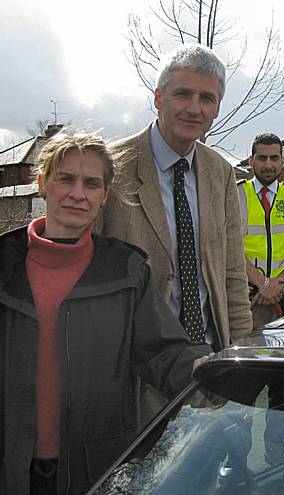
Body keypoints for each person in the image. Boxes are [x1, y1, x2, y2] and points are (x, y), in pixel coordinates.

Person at [0, 132, 212, 495]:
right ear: (42, 184)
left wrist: (206, 371)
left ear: (104, 196)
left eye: (92, 184)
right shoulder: (5, 265)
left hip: (98, 469)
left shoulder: (126, 271)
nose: (78, 194)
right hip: (11, 468)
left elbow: (163, 351)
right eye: (66, 178)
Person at [99, 43, 252, 350]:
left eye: (207, 98)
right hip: (136, 363)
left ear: (217, 109)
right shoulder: (113, 167)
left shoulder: (221, 173)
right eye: (183, 94)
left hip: (209, 354)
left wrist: (242, 351)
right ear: (158, 97)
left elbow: (233, 272)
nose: (194, 108)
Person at [235, 133, 284, 467]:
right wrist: (261, 283)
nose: (268, 164)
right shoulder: (235, 196)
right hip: (247, 304)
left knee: (282, 384)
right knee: (243, 384)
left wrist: (278, 283)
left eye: (274, 158)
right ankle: (236, 460)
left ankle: (276, 452)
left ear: (282, 161)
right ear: (251, 161)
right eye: (262, 158)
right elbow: (227, 247)